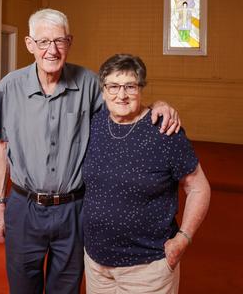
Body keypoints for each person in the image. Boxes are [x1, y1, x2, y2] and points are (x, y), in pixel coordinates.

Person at [0, 9, 181, 294]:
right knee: (21, 286)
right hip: (24, 207)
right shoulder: (9, 87)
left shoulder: (91, 84)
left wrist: (158, 105)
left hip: (74, 209)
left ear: (69, 42)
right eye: (43, 42)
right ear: (29, 44)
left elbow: (124, 107)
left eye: (59, 41)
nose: (52, 50)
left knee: (66, 288)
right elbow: (2, 148)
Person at [83, 54, 211, 294]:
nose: (121, 95)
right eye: (113, 86)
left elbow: (198, 187)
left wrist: (183, 238)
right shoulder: (94, 124)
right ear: (102, 91)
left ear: (140, 88)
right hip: (97, 264)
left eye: (130, 86)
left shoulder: (164, 131)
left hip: (147, 268)